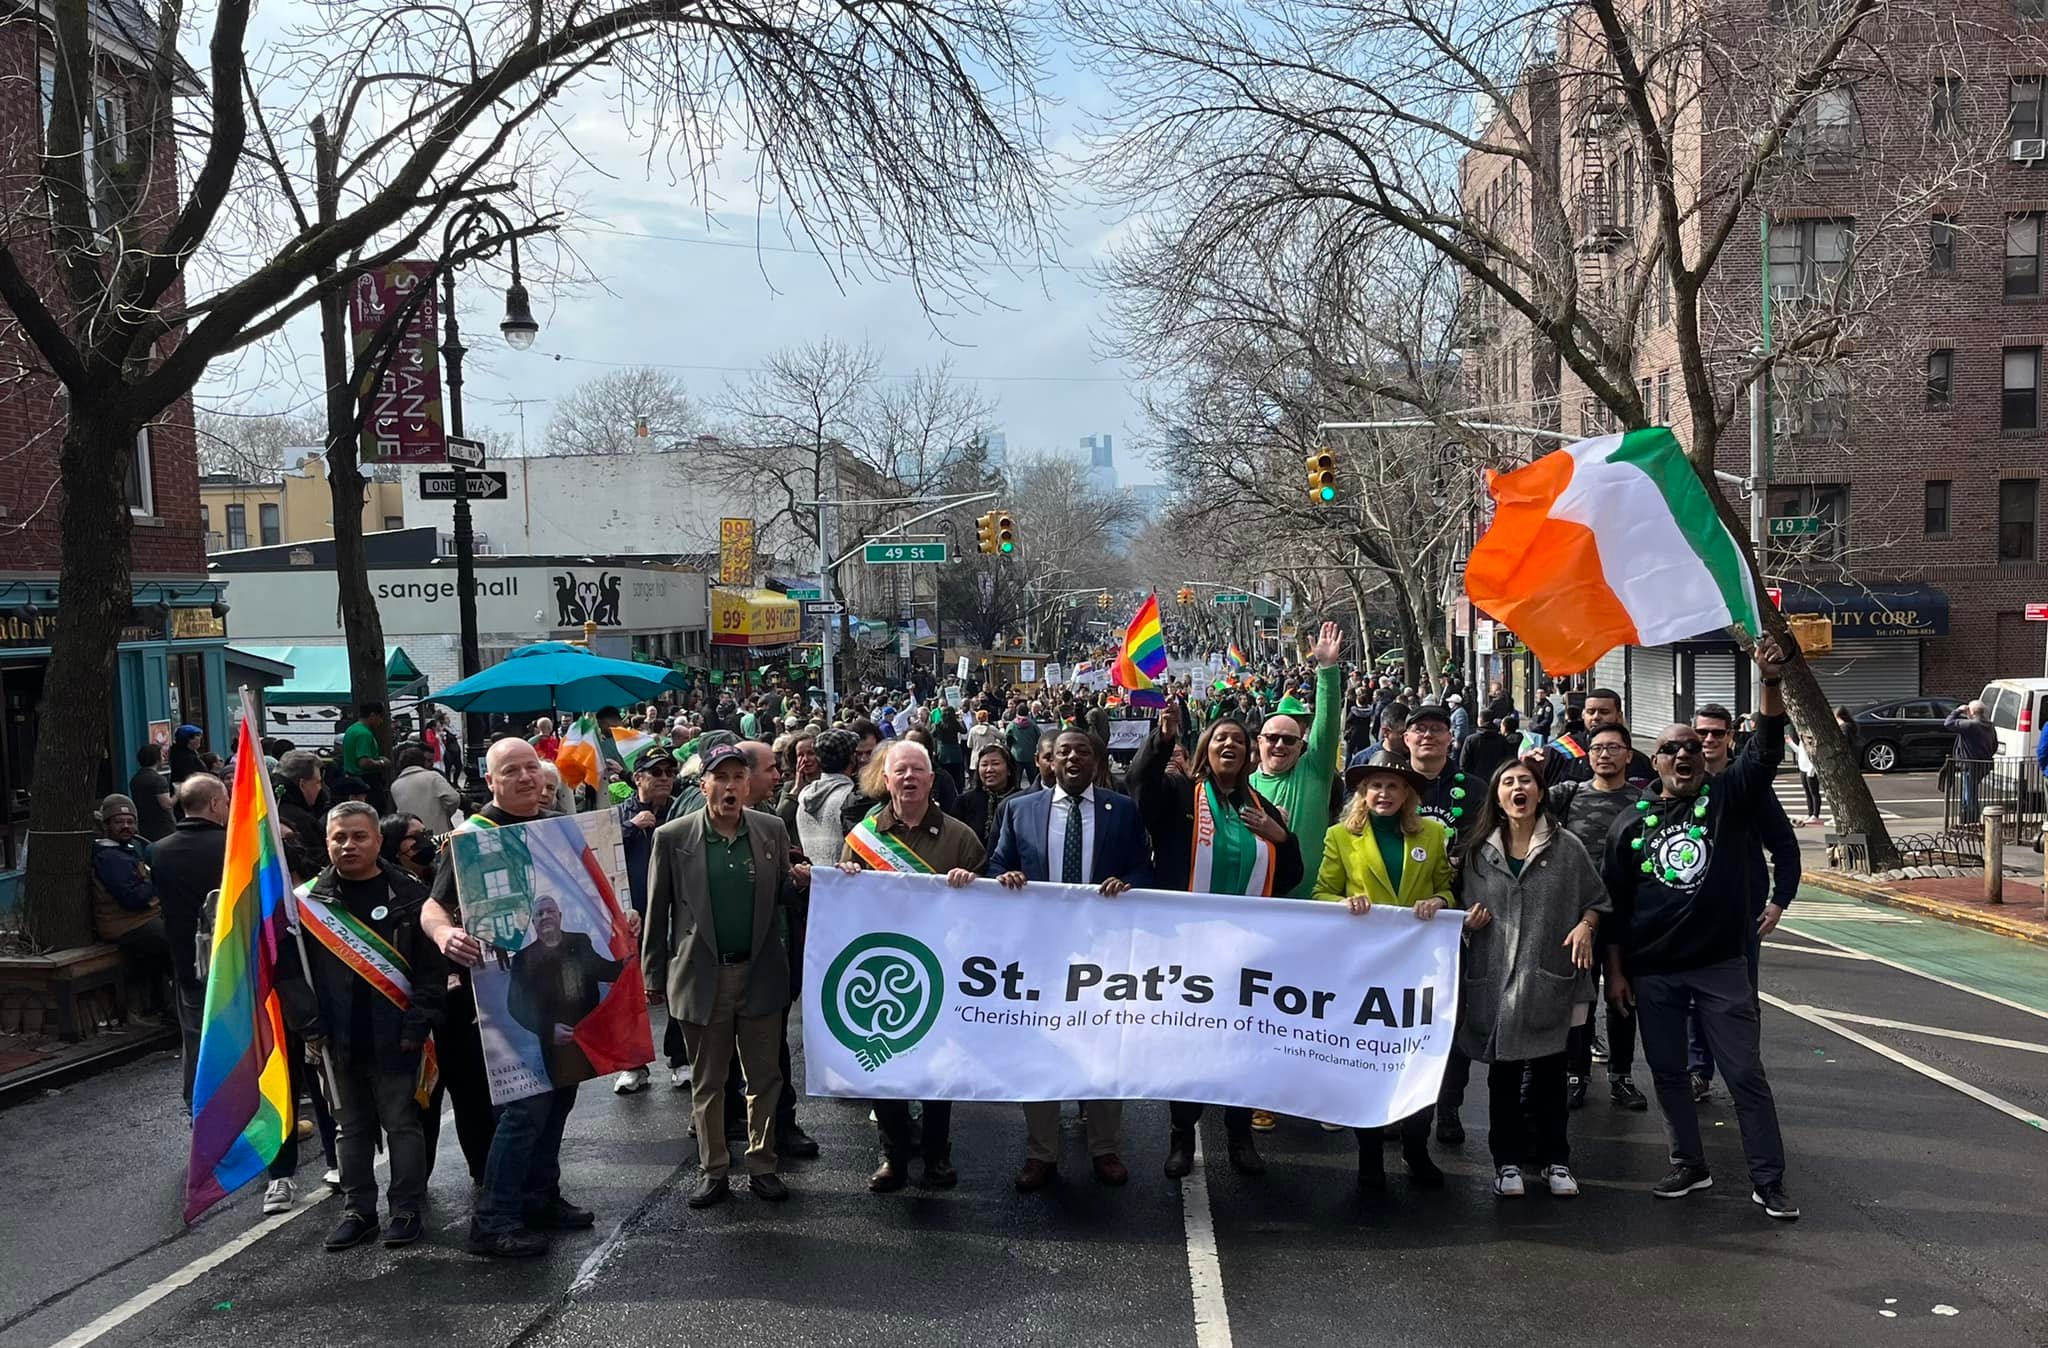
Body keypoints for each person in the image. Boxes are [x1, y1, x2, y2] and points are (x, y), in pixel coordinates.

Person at [1602, 637, 1800, 1221]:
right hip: (1654, 973)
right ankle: (1689, 1163)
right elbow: (1615, 905)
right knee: (1667, 1073)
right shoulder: (1628, 825)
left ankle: (1769, 1180)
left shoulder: (1730, 797)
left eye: (1693, 747)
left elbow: (1764, 752)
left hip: (1721, 968)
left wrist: (1768, 683)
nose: (1684, 756)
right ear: (1654, 761)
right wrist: (1617, 972)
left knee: (1744, 1075)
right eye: (1671, 749)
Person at [423, 737, 590, 1258]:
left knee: (560, 1096)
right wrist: (444, 935)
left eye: (531, 770)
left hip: (555, 994)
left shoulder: (554, 831)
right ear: (490, 782)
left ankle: (541, 1197)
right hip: (501, 998)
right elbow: (433, 907)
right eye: (510, 771)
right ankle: (492, 1220)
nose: (524, 778)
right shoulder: (471, 839)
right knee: (524, 1110)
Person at [1130, 704, 1301, 1178]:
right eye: (1220, 739)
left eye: (1239, 742)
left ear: (1249, 756)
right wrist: (1161, 741)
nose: (1230, 745)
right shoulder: (1181, 793)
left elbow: (1289, 878)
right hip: (1186, 947)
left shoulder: (1263, 809)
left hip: (1246, 951)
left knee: (1242, 1045)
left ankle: (1239, 1136)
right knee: (1188, 1044)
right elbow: (1140, 791)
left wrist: (1282, 839)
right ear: (1206, 749)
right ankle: (1181, 1136)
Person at [987, 728, 1154, 1192]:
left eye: (1082, 751)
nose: (1073, 758)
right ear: (1049, 762)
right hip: (1038, 953)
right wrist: (1008, 877)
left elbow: (1144, 867)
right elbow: (996, 864)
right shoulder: (1019, 809)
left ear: (1096, 761)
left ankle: (1105, 1148)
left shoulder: (1121, 810)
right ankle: (1042, 1153)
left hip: (1104, 953)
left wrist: (1128, 882)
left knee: (1102, 1049)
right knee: (1040, 1050)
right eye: (1064, 752)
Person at [276, 802, 448, 1251]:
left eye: (358, 837)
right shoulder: (306, 905)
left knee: (401, 1124)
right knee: (347, 1128)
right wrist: (308, 1024)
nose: (348, 845)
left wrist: (418, 1023)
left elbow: (431, 972)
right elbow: (288, 971)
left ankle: (406, 1207)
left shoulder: (409, 895)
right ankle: (359, 1211)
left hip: (396, 1034)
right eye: (339, 838)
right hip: (335, 1037)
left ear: (377, 840)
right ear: (327, 842)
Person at [643, 744, 807, 1208]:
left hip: (758, 973)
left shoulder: (771, 829)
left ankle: (762, 1164)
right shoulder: (673, 838)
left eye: (739, 777)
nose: (731, 786)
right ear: (704, 785)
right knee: (709, 1081)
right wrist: (652, 973)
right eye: (722, 778)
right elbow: (658, 912)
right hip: (701, 976)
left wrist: (803, 881)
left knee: (765, 1077)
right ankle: (713, 1168)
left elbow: (783, 900)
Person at [836, 741, 986, 1192]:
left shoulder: (960, 836)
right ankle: (893, 1156)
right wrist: (846, 881)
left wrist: (973, 884)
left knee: (938, 1069)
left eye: (917, 770)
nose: (908, 778)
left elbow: (990, 909)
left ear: (931, 777)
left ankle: (937, 1156)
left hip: (942, 969)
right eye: (900, 770)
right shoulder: (863, 837)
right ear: (886, 779)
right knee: (886, 1071)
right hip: (885, 971)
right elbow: (844, 905)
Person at [1458, 761, 1608, 1199]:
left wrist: (1587, 925)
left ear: (1540, 792)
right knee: (1502, 1080)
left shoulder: (1568, 848)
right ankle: (1506, 1162)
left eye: (1525, 781)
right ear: (1497, 798)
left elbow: (1597, 899)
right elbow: (1456, 909)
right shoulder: (1477, 853)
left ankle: (1555, 1160)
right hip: (1497, 981)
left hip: (1548, 981)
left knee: (1549, 1078)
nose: (1517, 788)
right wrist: (1467, 921)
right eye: (1507, 782)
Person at [1312, 757, 1456, 1193]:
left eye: (1393, 786)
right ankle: (1369, 1156)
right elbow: (1322, 893)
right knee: (1369, 1063)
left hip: (1418, 969)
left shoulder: (1432, 834)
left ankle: (1415, 1149)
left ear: (1408, 794)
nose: (1384, 794)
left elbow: (1448, 888)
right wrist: (1344, 905)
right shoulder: (1341, 836)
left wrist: (1439, 901)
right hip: (1364, 969)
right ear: (1363, 792)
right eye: (1376, 785)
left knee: (1420, 1058)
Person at [1686, 702, 1799, 1106]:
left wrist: (1779, 899)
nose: (1710, 740)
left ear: (1731, 736)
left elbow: (1784, 844)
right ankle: (1697, 1071)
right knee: (1691, 998)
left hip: (1742, 915)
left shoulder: (1749, 786)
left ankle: (1744, 1073)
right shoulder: (1681, 785)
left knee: (1741, 1001)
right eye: (1702, 733)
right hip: (1689, 914)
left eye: (1718, 733)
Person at [1549, 723, 1649, 1112]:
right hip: (1577, 918)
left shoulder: (1643, 801)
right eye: (1597, 748)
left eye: (1613, 747)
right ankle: (1576, 1074)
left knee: (1623, 999)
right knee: (1579, 1000)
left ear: (1629, 754)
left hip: (1626, 918)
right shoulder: (1569, 795)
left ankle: (1622, 1076)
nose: (1604, 754)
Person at [740, 739, 818, 1159]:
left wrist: (801, 878)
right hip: (724, 962)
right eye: (770, 769)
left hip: (774, 955)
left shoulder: (771, 819)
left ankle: (779, 1127)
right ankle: (720, 1127)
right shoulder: (697, 824)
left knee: (772, 1045)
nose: (779, 775)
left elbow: (784, 882)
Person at [1248, 621, 1345, 900]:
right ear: (1260, 741)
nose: (1280, 744)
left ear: (1301, 744)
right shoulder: (1243, 787)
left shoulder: (1314, 772)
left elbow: (1327, 728)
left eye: (1289, 740)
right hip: (1259, 904)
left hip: (1312, 905)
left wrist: (1326, 669)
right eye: (1273, 738)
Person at [150, 775, 230, 1110]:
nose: (227, 807)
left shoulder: (158, 851)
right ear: (213, 803)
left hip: (188, 959)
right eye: (225, 801)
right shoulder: (233, 846)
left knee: (196, 1038)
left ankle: (198, 1108)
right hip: (235, 957)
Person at [614, 747, 688, 1095]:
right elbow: (596, 851)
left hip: (674, 915)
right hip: (633, 918)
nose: (663, 779)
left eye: (669, 772)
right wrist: (630, 827)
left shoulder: (679, 810)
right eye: (656, 772)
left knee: (677, 987)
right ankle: (633, 1065)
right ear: (637, 777)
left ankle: (681, 1058)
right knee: (628, 992)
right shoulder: (618, 815)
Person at [90, 795, 173, 1003]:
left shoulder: (124, 850)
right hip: (126, 925)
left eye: (130, 822)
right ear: (106, 825)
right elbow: (132, 898)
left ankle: (164, 1003)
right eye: (119, 822)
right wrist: (157, 881)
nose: (126, 826)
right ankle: (179, 1005)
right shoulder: (109, 857)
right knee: (176, 941)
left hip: (142, 919)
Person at [1536, 688, 1653, 786]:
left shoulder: (1638, 760)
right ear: (1583, 714)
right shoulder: (1558, 752)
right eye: (1591, 712)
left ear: (1619, 715)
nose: (1596, 717)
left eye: (1604, 712)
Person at [793, 728, 862, 866]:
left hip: (812, 882)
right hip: (840, 882)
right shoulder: (850, 798)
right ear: (852, 759)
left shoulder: (805, 795)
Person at [275, 750, 333, 884]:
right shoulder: (302, 821)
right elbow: (317, 868)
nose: (320, 788)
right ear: (302, 784)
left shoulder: (267, 809)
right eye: (317, 782)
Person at [951, 743, 1023, 849]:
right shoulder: (964, 802)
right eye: (984, 765)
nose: (989, 769)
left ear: (1009, 769)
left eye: (995, 763)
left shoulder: (1022, 800)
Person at [1943, 700, 1998, 824]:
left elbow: (1948, 723)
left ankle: (1971, 820)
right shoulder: (1989, 725)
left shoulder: (1971, 725)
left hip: (1970, 765)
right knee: (1968, 791)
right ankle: (1965, 817)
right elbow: (1994, 745)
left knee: (1970, 794)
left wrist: (1958, 710)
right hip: (1984, 764)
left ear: (1972, 712)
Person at [390, 742, 461, 832]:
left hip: (412, 835)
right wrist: (444, 813)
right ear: (422, 761)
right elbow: (454, 799)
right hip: (438, 833)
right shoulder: (433, 777)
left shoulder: (395, 786)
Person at [341, 702, 392, 810]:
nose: (381, 721)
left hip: (352, 779)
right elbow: (363, 762)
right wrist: (382, 762)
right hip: (368, 782)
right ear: (372, 715)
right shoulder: (364, 734)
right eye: (380, 717)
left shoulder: (351, 730)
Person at [130, 743, 176, 841]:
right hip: (163, 828)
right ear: (156, 758)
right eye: (162, 755)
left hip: (145, 826)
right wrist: (180, 791)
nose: (164, 758)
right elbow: (166, 804)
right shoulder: (158, 780)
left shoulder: (135, 779)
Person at [1459, 715, 1519, 785]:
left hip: (1475, 781)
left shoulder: (1471, 739)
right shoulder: (1502, 740)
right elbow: (1507, 759)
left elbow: (1463, 763)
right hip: (1497, 780)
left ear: (1480, 720)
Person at [1791, 724, 1822, 826]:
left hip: (1810, 769)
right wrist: (1790, 743)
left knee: (1814, 792)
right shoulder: (1802, 741)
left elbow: (1815, 757)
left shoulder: (1811, 742)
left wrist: (1811, 771)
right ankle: (1810, 813)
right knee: (1807, 793)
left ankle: (1815, 815)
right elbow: (1799, 751)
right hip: (1803, 768)